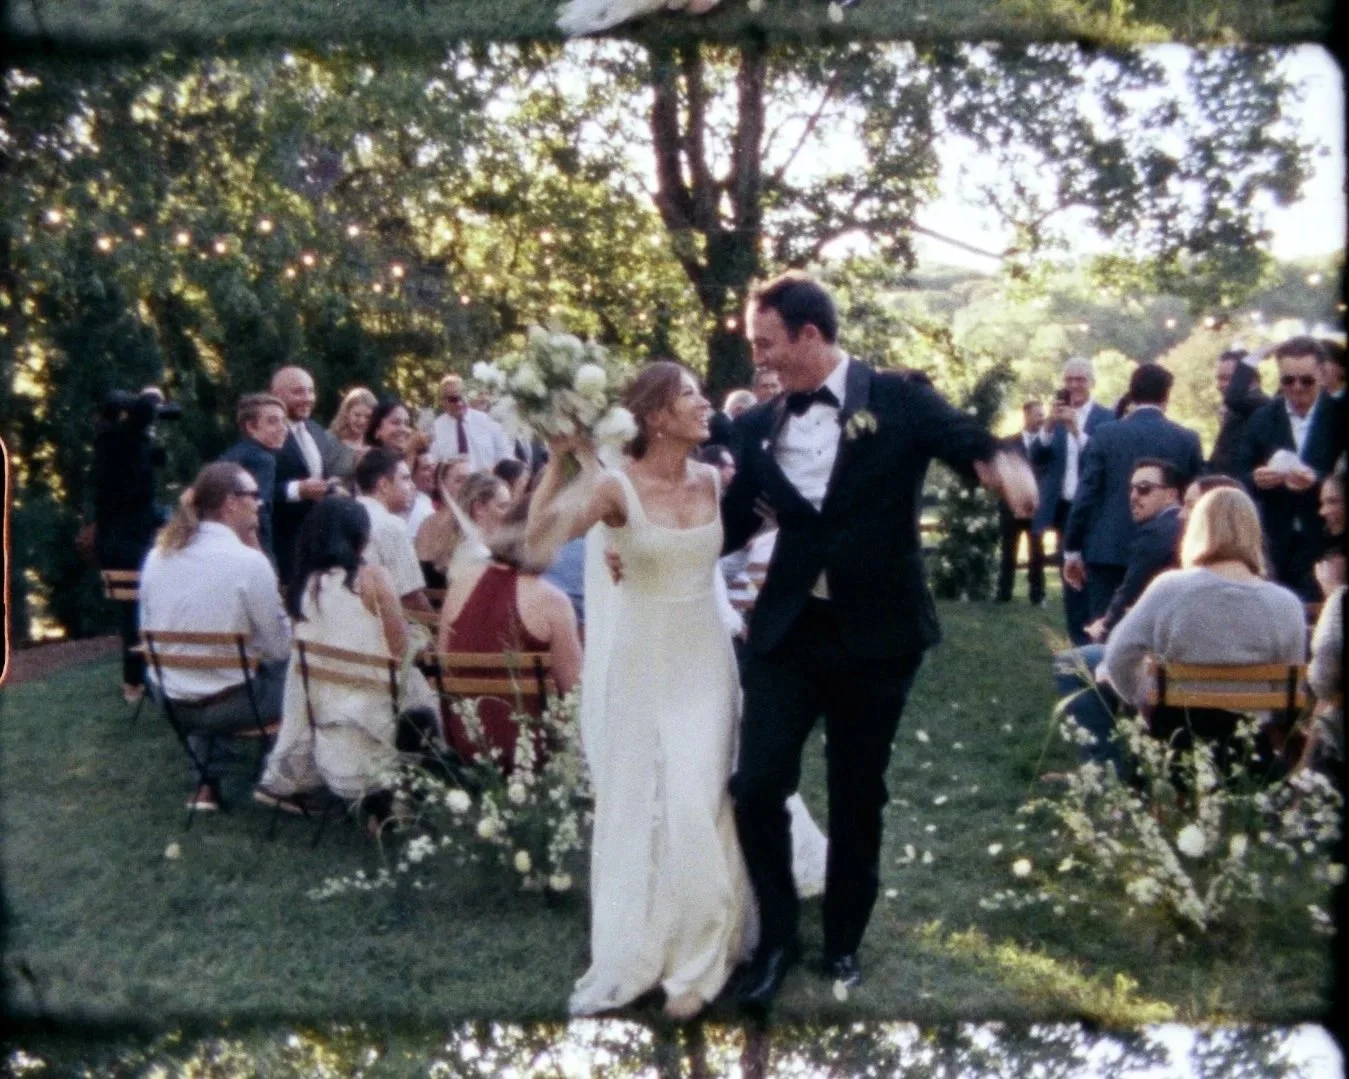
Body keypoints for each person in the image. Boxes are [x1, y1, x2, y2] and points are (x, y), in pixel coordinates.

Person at [720, 271, 1037, 1007]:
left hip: (878, 636)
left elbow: (964, 441)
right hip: (788, 628)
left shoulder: (896, 397)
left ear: (809, 334)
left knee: (858, 792)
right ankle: (775, 940)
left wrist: (1002, 467)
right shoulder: (761, 420)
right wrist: (652, 548)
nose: (761, 361)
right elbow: (735, 522)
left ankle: (841, 941)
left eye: (768, 344)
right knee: (756, 783)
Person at [526, 360, 759, 1021]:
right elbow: (541, 541)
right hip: (640, 662)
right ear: (654, 416)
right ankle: (648, 944)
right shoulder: (612, 488)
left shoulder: (716, 478)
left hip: (706, 660)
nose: (704, 402)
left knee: (701, 797)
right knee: (645, 798)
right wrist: (556, 463)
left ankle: (702, 959)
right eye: (690, 393)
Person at [255, 498, 439, 825]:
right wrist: (422, 636)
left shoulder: (304, 586)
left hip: (328, 727)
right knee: (426, 693)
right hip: (376, 728)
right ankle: (403, 798)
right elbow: (401, 653)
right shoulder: (372, 578)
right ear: (359, 537)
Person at [1101, 487, 1307, 774]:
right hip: (1249, 756)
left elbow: (1117, 655)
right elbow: (1288, 692)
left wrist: (1142, 698)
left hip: (1175, 747)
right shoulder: (1286, 604)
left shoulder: (1169, 588)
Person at [138, 462, 291, 812]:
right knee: (298, 668)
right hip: (234, 706)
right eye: (253, 495)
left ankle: (206, 784)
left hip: (171, 701)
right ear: (230, 503)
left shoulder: (157, 556)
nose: (260, 502)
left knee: (210, 675)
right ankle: (283, 781)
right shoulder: (248, 563)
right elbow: (278, 647)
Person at [1048, 459, 1185, 779]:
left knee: (1074, 662)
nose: (1134, 496)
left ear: (1172, 496)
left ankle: (1104, 769)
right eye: (1131, 489)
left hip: (1173, 668)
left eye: (1145, 488)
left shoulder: (1159, 532)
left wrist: (1106, 627)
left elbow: (1130, 592)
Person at [436, 497, 582, 770]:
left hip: (465, 740)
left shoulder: (462, 582)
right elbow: (574, 691)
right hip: (527, 750)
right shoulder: (552, 601)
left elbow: (444, 660)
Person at [1062, 363, 1203, 629]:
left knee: (1105, 631)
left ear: (1132, 393)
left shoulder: (1105, 434)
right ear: (1166, 396)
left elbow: (1087, 494)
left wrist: (1072, 550)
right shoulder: (1186, 439)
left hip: (1108, 549)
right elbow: (1196, 498)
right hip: (1167, 550)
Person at [1237, 336, 1341, 598]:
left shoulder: (1339, 415)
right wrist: (1256, 479)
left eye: (1306, 380)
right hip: (1274, 541)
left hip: (1325, 540)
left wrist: (1316, 480)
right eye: (1288, 380)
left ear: (1322, 373)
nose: (1296, 388)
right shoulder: (1262, 418)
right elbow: (1238, 474)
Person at [92, 387, 171, 704]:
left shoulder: (113, 445)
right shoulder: (120, 445)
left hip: (121, 539)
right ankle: (136, 682)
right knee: (136, 613)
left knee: (135, 612)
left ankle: (138, 680)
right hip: (127, 543)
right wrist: (152, 396)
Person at [1030, 358, 1115, 645]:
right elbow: (1036, 458)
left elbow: (1103, 458)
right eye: (1069, 380)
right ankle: (1077, 640)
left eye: (1080, 379)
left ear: (1092, 382)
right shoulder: (1054, 419)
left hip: (1094, 510)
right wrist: (1050, 426)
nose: (1074, 385)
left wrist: (1077, 431)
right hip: (1065, 509)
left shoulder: (1106, 418)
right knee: (1069, 575)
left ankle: (1099, 635)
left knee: (1094, 574)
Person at [270, 366, 350, 587]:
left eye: (310, 391)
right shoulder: (268, 434)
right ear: (277, 395)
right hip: (284, 543)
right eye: (298, 392)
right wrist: (297, 490)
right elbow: (257, 488)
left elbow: (321, 475)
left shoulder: (316, 430)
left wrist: (331, 486)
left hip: (319, 542)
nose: (307, 399)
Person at [353, 448, 433, 616]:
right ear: (383, 485)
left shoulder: (343, 514)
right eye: (405, 478)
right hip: (377, 629)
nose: (412, 486)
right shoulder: (391, 525)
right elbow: (411, 597)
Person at [219, 393, 288, 562]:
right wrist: (265, 559)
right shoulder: (263, 459)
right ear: (251, 427)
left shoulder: (236, 452)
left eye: (283, 421)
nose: (283, 428)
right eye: (272, 421)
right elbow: (258, 513)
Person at [995, 400, 1050, 606]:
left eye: (1042, 415)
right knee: (1009, 550)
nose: (1041, 419)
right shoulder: (1008, 443)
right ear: (1026, 416)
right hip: (1011, 506)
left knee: (1037, 551)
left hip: (1036, 506)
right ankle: (1003, 593)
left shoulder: (1047, 444)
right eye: (1037, 414)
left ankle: (1038, 594)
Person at [428, 373, 513, 470]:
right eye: (453, 399)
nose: (459, 403)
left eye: (462, 397)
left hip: (486, 482)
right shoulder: (436, 429)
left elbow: (505, 454)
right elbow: (434, 464)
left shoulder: (487, 422)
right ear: (442, 401)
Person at [414, 456, 474, 589]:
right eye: (460, 480)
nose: (468, 486)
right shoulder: (431, 523)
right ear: (442, 486)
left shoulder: (427, 521)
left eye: (471, 479)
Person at [1209, 348, 1268, 476]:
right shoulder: (1234, 410)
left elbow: (1234, 398)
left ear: (1249, 378)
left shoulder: (1261, 404)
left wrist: (1253, 359)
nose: (1220, 385)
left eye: (1226, 379)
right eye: (1219, 379)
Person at [328, 386, 377, 459]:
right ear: (346, 413)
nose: (362, 421)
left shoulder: (376, 445)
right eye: (357, 415)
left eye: (368, 417)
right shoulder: (329, 440)